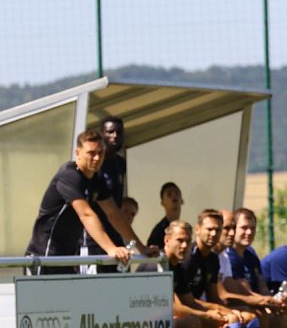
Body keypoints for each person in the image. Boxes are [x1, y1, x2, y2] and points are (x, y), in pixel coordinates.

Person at [182, 209, 284, 328]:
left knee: (250, 316)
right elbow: (185, 299)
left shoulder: (213, 259)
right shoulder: (190, 258)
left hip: (200, 309)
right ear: (198, 229)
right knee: (234, 319)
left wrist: (226, 310)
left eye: (219, 229)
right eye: (211, 229)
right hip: (186, 312)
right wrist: (220, 312)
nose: (216, 234)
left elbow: (215, 295)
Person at [26, 128, 150, 275]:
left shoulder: (96, 178)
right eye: (91, 153)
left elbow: (113, 214)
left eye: (100, 153)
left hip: (68, 259)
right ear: (77, 153)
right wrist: (111, 249)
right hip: (43, 258)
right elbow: (86, 214)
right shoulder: (69, 175)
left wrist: (142, 248)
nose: (97, 158)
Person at [160, 220, 228, 328]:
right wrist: (206, 314)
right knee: (191, 322)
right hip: (144, 327)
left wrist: (218, 313)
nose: (184, 246)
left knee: (214, 324)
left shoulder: (178, 267)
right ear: (167, 240)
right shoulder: (158, 264)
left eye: (187, 241)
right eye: (179, 240)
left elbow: (189, 301)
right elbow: (171, 307)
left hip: (162, 323)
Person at [81, 116, 129, 273]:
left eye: (119, 132)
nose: (115, 136)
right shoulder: (94, 167)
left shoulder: (121, 164)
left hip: (116, 234)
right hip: (94, 238)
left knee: (121, 279)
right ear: (102, 135)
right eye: (110, 132)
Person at [147, 182, 183, 249]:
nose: (174, 196)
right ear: (162, 203)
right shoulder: (158, 232)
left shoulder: (184, 229)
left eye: (177, 194)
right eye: (169, 194)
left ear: (182, 201)